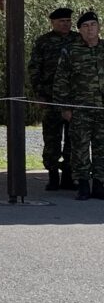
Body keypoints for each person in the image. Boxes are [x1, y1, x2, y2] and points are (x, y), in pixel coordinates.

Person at [53, 11, 104, 201]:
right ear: (80, 30)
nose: (90, 29)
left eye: (93, 25)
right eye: (85, 26)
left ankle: (99, 184)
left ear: (99, 27)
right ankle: (83, 185)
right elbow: (61, 81)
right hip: (80, 109)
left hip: (102, 109)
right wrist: (65, 107)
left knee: (102, 148)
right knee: (80, 148)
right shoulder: (71, 51)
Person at [29, 7, 79, 190]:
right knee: (51, 139)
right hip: (50, 98)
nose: (65, 24)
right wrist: (39, 95)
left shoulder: (77, 40)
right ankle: (52, 176)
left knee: (73, 139)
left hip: (73, 99)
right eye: (61, 21)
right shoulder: (44, 42)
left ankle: (68, 176)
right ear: (53, 23)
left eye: (68, 21)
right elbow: (35, 69)